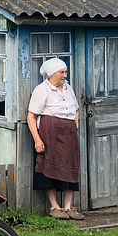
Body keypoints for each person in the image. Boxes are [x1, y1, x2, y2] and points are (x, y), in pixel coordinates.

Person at [26, 58, 83, 221]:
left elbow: (76, 109)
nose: (65, 75)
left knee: (70, 167)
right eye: (62, 72)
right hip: (50, 133)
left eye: (65, 72)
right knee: (49, 168)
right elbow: (31, 116)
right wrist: (37, 139)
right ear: (52, 74)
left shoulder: (68, 88)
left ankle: (68, 207)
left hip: (68, 133)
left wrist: (75, 125)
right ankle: (54, 207)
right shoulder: (42, 90)